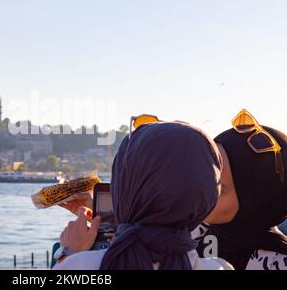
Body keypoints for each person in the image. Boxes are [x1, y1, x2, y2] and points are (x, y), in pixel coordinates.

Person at [53, 122, 233, 270]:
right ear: (207, 195)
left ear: (121, 187)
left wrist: (68, 253)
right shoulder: (219, 268)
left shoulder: (79, 266)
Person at [194, 109, 287, 270]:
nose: (203, 192)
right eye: (204, 177)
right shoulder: (196, 228)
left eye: (219, 187)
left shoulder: (274, 262)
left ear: (256, 202)